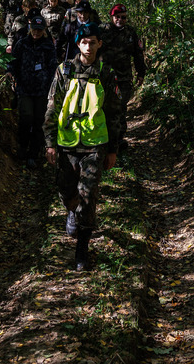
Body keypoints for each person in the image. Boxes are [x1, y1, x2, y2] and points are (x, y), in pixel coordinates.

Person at [43, 22, 122, 271]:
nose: (88, 46)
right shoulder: (64, 71)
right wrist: (50, 144)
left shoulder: (106, 72)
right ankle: (72, 211)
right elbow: (52, 108)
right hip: (67, 144)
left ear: (100, 43)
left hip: (94, 145)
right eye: (84, 42)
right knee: (67, 192)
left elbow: (115, 113)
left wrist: (113, 149)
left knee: (88, 198)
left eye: (92, 41)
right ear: (78, 44)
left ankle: (81, 252)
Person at [8, 13, 58, 168]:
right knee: (26, 118)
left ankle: (33, 153)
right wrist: (10, 73)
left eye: (39, 30)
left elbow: (53, 68)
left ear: (43, 30)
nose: (36, 32)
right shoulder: (22, 44)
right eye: (34, 29)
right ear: (30, 28)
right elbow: (12, 62)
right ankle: (22, 146)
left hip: (42, 91)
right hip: (24, 88)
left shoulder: (49, 46)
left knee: (39, 122)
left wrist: (52, 87)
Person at [100, 4, 147, 150]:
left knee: (120, 108)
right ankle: (103, 139)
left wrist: (141, 73)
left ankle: (117, 140)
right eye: (117, 17)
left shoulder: (130, 33)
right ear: (111, 17)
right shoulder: (102, 31)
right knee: (104, 107)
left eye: (123, 17)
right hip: (105, 78)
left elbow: (138, 54)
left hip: (124, 78)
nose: (120, 20)